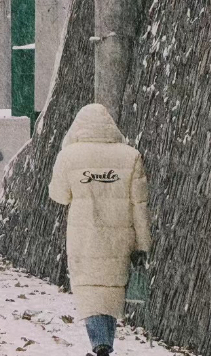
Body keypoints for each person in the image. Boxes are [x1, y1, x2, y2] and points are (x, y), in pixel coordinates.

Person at [48, 104, 151, 356]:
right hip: (120, 240)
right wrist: (143, 245)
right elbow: (140, 206)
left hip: (84, 239)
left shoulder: (69, 156)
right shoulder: (131, 156)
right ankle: (104, 345)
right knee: (110, 291)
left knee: (91, 292)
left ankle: (100, 345)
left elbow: (59, 195)